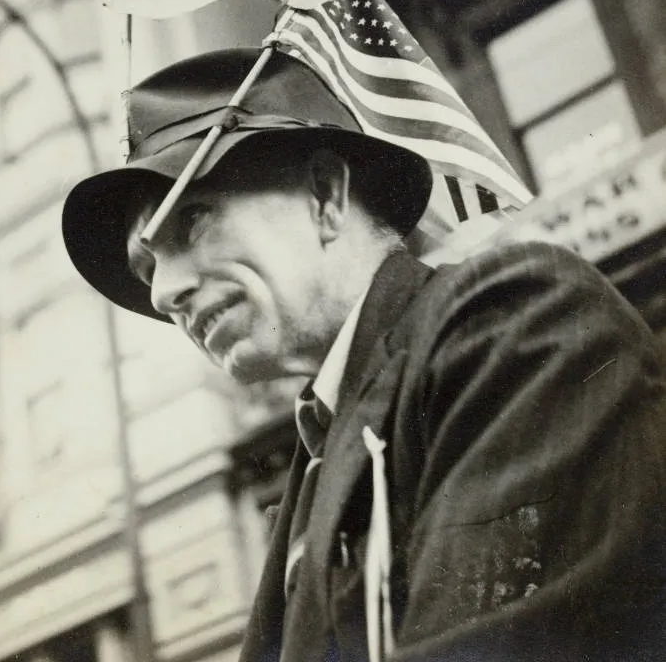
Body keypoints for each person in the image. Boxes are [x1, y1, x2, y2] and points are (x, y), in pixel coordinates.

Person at [63, 45, 666, 662]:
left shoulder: (515, 322)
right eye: (148, 265)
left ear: (326, 196)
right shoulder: (318, 457)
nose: (164, 292)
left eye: (190, 221)